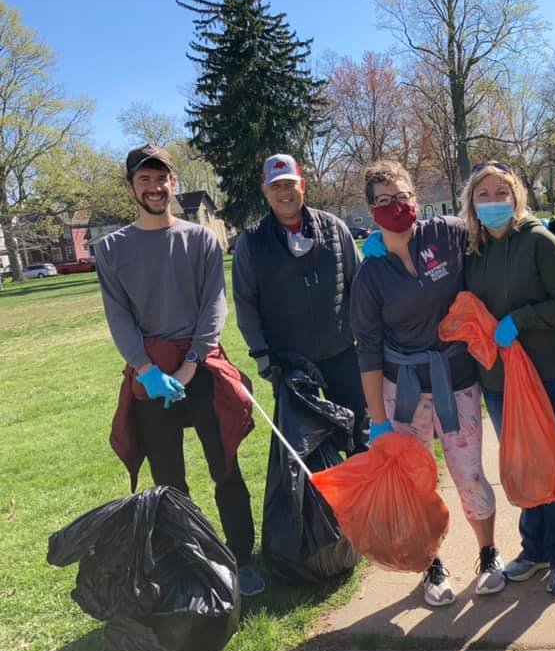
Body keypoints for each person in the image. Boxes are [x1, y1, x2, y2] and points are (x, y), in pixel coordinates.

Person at [97, 144, 264, 597]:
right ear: (131, 186)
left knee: (225, 465)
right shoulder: (110, 249)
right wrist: (147, 371)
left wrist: (190, 366)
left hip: (201, 367)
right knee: (169, 479)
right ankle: (191, 561)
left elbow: (214, 305)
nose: (154, 187)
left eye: (161, 177)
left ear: (174, 182)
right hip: (151, 373)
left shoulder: (202, 239)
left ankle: (242, 557)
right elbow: (119, 318)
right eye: (144, 179)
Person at [350, 160, 503, 607]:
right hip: (404, 391)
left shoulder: (446, 234)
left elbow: (491, 222)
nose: (395, 207)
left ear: (416, 198)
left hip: (457, 380)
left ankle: (489, 553)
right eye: (383, 201)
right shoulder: (370, 274)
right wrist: (377, 421)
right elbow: (367, 349)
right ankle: (431, 565)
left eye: (401, 197)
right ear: (370, 211)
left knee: (468, 473)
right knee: (417, 484)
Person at [461, 161, 555, 593]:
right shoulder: (471, 248)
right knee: (520, 461)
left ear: (516, 197)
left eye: (501, 193)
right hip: (497, 379)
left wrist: (522, 318)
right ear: (472, 203)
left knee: (552, 460)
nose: (493, 201)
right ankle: (534, 551)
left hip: (546, 372)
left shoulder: (539, 242)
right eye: (483, 194)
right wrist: (380, 239)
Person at [232, 153, 369, 454]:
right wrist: (262, 355)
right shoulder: (250, 242)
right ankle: (324, 503)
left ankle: (369, 501)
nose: (284, 192)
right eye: (276, 185)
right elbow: (245, 303)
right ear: (265, 191)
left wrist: (367, 338)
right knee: (309, 451)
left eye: (290, 184)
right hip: (288, 364)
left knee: (361, 437)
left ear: (303, 185)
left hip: (342, 354)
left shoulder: (334, 228)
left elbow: (359, 285)